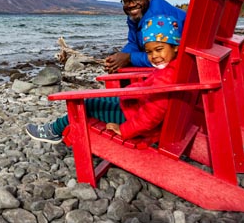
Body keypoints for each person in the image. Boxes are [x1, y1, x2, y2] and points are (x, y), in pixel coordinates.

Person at [26, 14, 182, 144]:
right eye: (149, 52)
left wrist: (125, 129)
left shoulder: (167, 77)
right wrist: (127, 93)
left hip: (134, 120)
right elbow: (148, 86)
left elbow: (152, 115)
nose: (154, 56)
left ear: (175, 46)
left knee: (88, 105)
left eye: (159, 49)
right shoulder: (174, 69)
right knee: (104, 98)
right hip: (135, 108)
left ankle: (53, 130)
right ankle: (54, 128)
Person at [104, 0, 186, 73]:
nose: (131, 5)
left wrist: (129, 58)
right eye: (126, 1)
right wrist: (118, 58)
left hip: (184, 62)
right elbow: (134, 42)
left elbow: (165, 56)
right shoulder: (137, 13)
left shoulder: (159, 19)